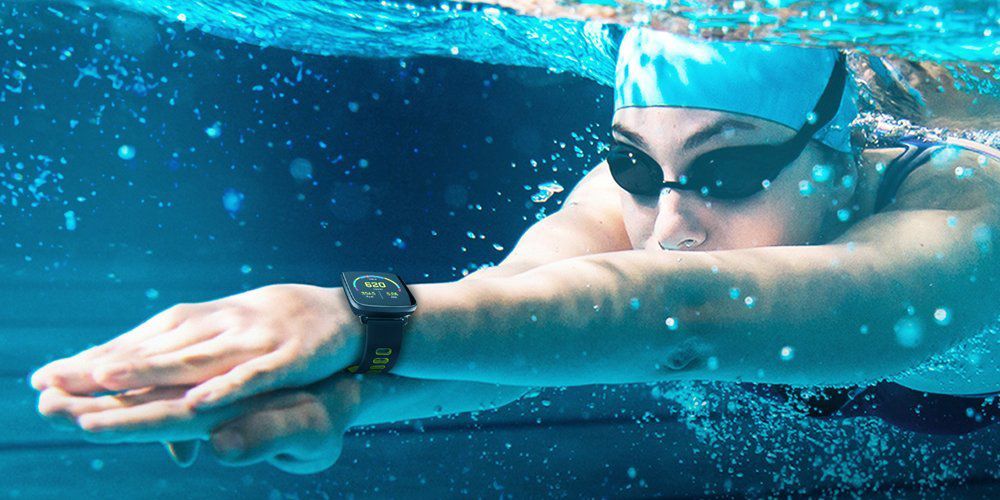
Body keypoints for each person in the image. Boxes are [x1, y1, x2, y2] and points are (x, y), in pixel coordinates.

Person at [30, 27, 1000, 473]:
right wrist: (347, 398)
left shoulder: (965, 203)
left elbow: (689, 316)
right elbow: (509, 312)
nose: (668, 225)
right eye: (633, 164)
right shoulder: (643, 202)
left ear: (838, 158)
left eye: (730, 171)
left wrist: (357, 312)